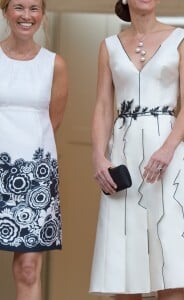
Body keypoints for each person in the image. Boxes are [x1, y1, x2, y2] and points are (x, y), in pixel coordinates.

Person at [89, 0, 184, 299]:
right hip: (123, 154)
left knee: (170, 264)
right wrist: (98, 155)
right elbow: (103, 105)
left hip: (167, 156)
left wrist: (168, 148)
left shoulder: (182, 38)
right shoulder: (109, 45)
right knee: (125, 270)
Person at [0, 0, 68, 299]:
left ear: (42, 14)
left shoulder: (55, 64)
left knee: (28, 268)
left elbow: (53, 120)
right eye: (18, 7)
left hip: (33, 176)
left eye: (33, 8)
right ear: (5, 12)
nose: (26, 16)